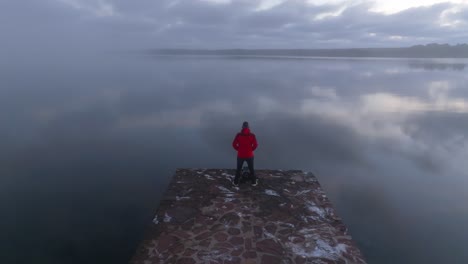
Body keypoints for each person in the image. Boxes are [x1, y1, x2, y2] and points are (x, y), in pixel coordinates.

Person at [232, 121, 258, 186]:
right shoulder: (252, 135)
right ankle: (254, 182)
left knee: (238, 169)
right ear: (248, 127)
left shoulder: (238, 135)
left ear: (242, 127)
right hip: (249, 155)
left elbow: (234, 144)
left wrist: (238, 149)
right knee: (251, 169)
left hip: (240, 155)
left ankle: (235, 182)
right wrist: (251, 150)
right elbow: (255, 145)